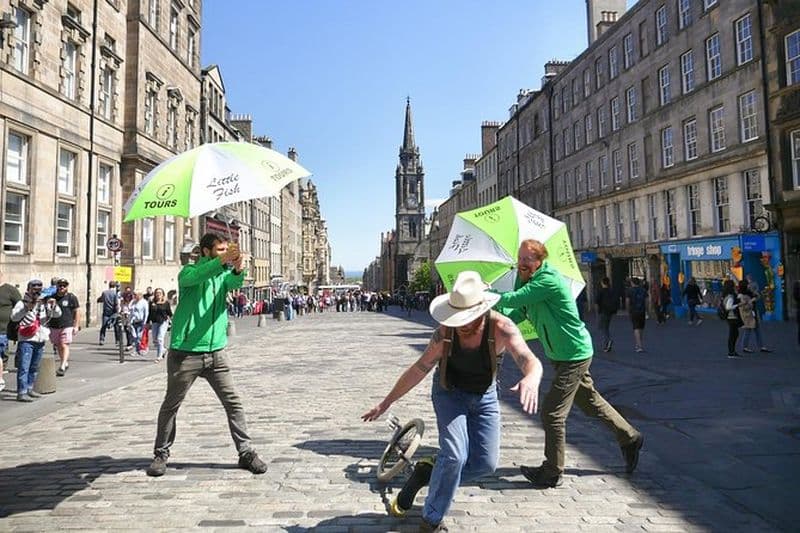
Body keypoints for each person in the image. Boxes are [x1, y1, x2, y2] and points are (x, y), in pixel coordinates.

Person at [362, 271, 542, 533]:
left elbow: (528, 358)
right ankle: (431, 519)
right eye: (458, 316)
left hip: (485, 396)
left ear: (482, 309)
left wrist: (532, 378)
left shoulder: (501, 328)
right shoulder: (445, 333)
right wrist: (386, 402)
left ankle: (427, 473)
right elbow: (419, 368)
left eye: (468, 317)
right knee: (455, 455)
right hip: (449, 394)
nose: (462, 324)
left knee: (485, 464)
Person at [493, 239, 643, 488]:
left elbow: (514, 299)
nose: (521, 263)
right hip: (560, 354)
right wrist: (497, 318)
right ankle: (630, 437)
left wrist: (487, 296)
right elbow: (518, 312)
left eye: (527, 259)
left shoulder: (547, 280)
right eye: (520, 258)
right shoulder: (526, 280)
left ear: (540, 260)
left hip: (574, 353)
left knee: (552, 413)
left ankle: (552, 471)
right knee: (590, 402)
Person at [146, 233, 267, 477]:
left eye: (226, 249)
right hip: (186, 353)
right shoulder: (188, 272)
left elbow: (234, 283)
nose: (224, 253)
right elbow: (201, 275)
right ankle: (161, 453)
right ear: (205, 251)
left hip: (216, 353)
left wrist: (238, 268)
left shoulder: (222, 275)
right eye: (219, 250)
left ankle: (245, 452)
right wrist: (223, 261)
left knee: (233, 402)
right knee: (172, 404)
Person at [11, 280, 61, 402]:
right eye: (34, 288)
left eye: (39, 288)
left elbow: (57, 314)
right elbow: (14, 317)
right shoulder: (22, 303)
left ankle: (29, 388)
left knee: (34, 367)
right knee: (24, 367)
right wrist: (26, 308)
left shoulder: (44, 303)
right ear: (28, 289)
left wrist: (53, 306)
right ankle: (22, 392)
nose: (37, 291)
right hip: (27, 339)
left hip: (40, 338)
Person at [47, 278, 81, 376]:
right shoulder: (52, 297)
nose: (62, 287)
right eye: (60, 285)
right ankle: (64, 362)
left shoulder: (71, 297)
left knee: (64, 344)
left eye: (64, 285)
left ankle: (62, 366)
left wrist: (76, 325)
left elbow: (77, 311)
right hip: (54, 325)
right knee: (58, 345)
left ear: (67, 286)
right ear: (57, 286)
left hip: (67, 324)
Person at [0, 273, 21, 392]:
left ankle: (1, 377)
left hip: (4, 329)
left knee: (2, 353)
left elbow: (20, 306)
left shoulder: (10, 290)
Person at [738, 280, 772, 353]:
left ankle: (761, 346)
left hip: (753, 313)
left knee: (757, 330)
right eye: (747, 284)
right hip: (748, 315)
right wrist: (751, 302)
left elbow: (757, 297)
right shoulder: (741, 295)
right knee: (748, 330)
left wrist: (755, 294)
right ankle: (745, 346)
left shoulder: (749, 292)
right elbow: (744, 307)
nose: (748, 286)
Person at [148, 288, 172, 362]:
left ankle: (159, 356)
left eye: (160, 293)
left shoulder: (166, 303)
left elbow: (169, 313)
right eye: (157, 293)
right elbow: (149, 313)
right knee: (155, 340)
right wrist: (147, 322)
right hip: (155, 322)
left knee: (160, 338)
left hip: (163, 322)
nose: (158, 294)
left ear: (162, 294)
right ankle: (163, 350)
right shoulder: (152, 303)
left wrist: (172, 321)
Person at [595, 277, 618, 352]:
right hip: (610, 311)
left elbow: (597, 302)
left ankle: (608, 341)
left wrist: (596, 312)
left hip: (602, 311)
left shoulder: (601, 291)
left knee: (603, 328)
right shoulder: (611, 291)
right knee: (606, 327)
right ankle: (607, 342)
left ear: (602, 283)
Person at [626, 278, 648, 353]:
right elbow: (646, 301)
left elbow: (627, 301)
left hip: (634, 311)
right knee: (641, 328)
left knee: (636, 328)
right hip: (642, 311)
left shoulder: (629, 291)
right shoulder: (643, 290)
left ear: (632, 283)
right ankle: (638, 343)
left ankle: (639, 346)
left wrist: (628, 310)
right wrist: (646, 310)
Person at [722, 279, 742, 358]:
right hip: (732, 316)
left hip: (730, 317)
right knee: (733, 334)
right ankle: (731, 352)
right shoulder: (730, 296)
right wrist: (738, 305)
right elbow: (728, 307)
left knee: (734, 333)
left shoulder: (725, 295)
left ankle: (732, 351)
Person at [97, 281, 120, 345]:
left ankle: (101, 339)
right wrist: (117, 312)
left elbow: (101, 299)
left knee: (103, 326)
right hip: (113, 312)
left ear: (109, 285)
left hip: (106, 311)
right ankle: (117, 340)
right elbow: (116, 303)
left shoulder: (104, 292)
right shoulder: (115, 293)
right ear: (114, 286)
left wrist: (99, 300)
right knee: (116, 326)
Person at [129, 291, 149, 357]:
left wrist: (145, 322)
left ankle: (140, 349)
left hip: (140, 321)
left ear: (140, 295)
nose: (134, 296)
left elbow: (146, 313)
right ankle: (137, 350)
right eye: (134, 294)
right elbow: (130, 309)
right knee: (134, 337)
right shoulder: (133, 301)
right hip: (133, 321)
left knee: (139, 336)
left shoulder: (144, 302)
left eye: (135, 295)